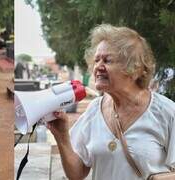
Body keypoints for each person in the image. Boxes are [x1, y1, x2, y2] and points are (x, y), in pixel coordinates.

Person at [47, 24, 175, 180]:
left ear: (133, 69)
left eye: (107, 60)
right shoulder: (94, 110)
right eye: (96, 60)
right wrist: (62, 137)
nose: (98, 67)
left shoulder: (166, 113)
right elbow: (77, 173)